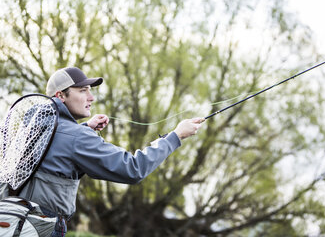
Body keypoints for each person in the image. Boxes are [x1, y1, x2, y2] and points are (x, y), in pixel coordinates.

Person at [5, 67, 204, 236]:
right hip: (41, 226)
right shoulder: (76, 137)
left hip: (14, 220)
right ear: (61, 96)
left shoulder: (33, 127)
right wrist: (176, 136)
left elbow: (58, 145)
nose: (91, 97)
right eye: (83, 91)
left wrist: (85, 127)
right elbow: (133, 169)